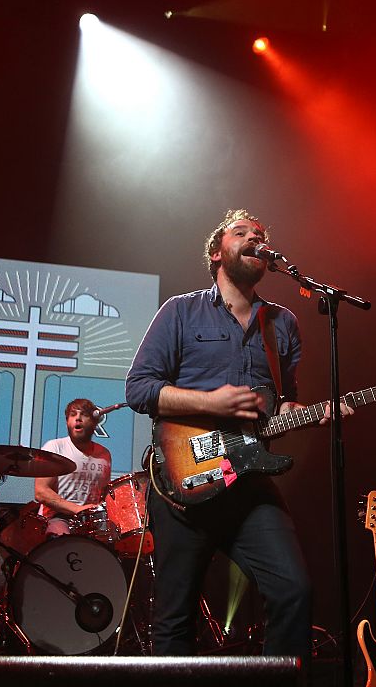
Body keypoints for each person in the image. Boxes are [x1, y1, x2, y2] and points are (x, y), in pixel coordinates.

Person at [125, 208, 353, 662]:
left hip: (246, 483)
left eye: (261, 235)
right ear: (217, 253)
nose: (256, 238)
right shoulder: (181, 311)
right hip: (181, 483)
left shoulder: (282, 323)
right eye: (242, 232)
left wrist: (310, 413)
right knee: (174, 618)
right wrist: (212, 403)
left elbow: (281, 403)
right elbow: (139, 389)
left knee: (293, 590)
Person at [34, 398, 112, 536]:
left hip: (90, 521)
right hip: (56, 517)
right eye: (73, 415)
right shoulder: (54, 447)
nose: (78, 419)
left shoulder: (104, 454)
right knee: (65, 542)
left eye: (84, 415)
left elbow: (103, 495)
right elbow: (40, 492)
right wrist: (77, 509)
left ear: (95, 423)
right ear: (67, 422)